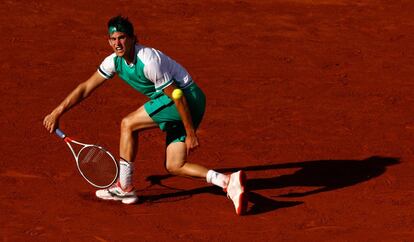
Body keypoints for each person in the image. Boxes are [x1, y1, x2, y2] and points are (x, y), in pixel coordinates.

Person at [43, 15, 247, 215]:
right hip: (183, 101)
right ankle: (227, 181)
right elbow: (86, 87)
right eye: (113, 39)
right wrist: (57, 111)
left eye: (122, 37)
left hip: (186, 99)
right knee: (175, 165)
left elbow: (177, 96)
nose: (117, 43)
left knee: (128, 124)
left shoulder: (149, 61)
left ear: (133, 38)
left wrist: (190, 133)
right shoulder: (114, 62)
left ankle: (125, 188)